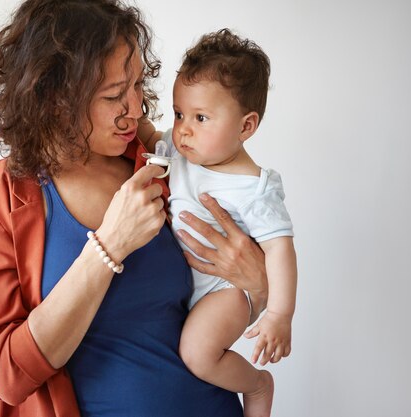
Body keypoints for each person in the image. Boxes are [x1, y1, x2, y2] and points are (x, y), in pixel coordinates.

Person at [0, 2, 269, 416]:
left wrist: (260, 287)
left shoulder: (161, 164)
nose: (137, 109)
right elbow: (9, 376)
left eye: (138, 85)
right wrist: (108, 247)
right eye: (113, 95)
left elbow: (233, 295)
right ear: (54, 98)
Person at [138, 29, 298, 417]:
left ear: (246, 127)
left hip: (226, 291)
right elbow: (142, 132)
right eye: (179, 114)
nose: (184, 128)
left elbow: (280, 249)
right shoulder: (183, 149)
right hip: (191, 288)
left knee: (198, 353)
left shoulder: (252, 188)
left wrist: (279, 313)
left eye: (201, 118)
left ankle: (257, 385)